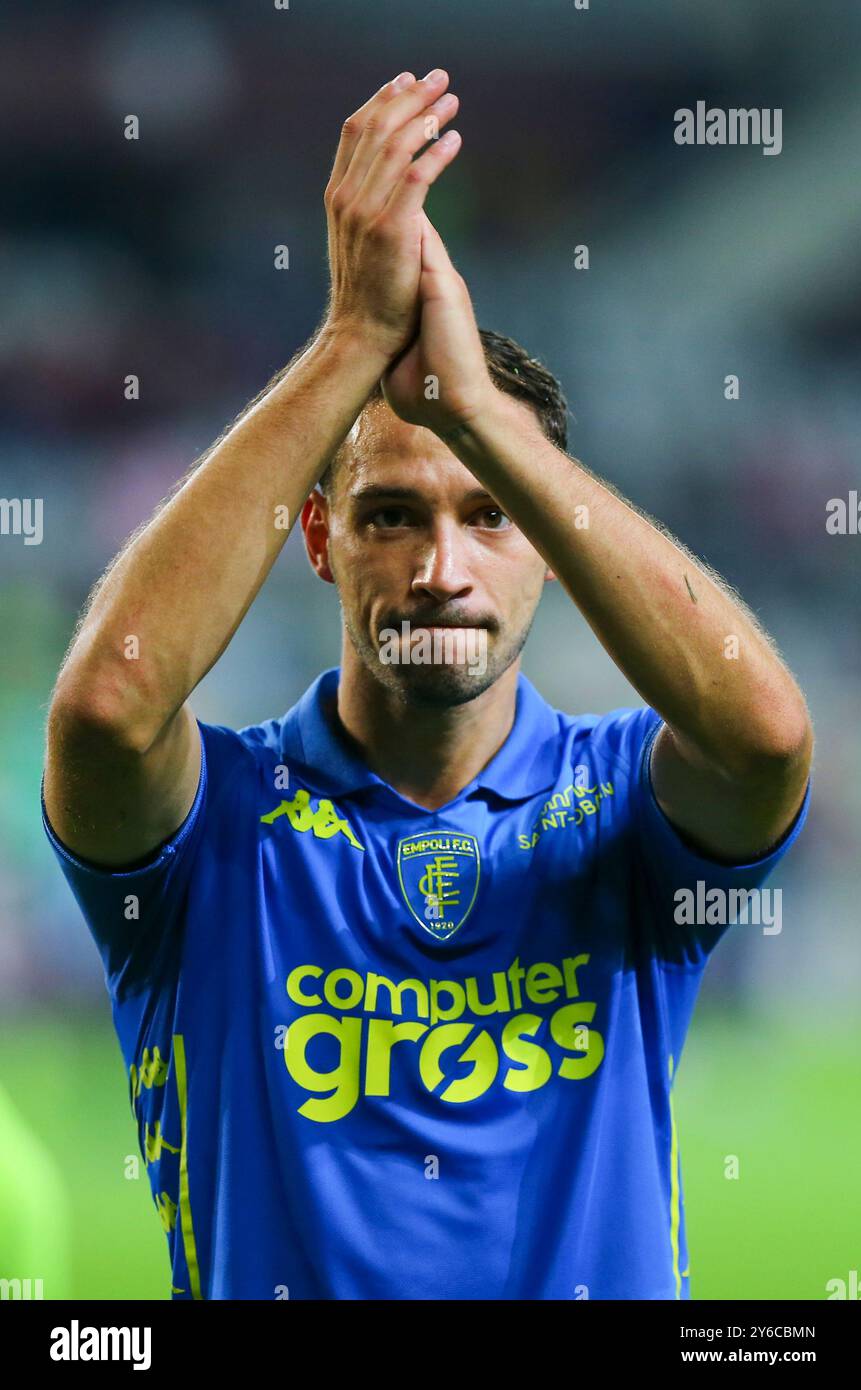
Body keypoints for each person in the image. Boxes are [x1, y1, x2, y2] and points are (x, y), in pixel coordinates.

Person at [42, 69, 812, 1300]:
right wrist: (351, 341)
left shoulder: (620, 807)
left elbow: (767, 740)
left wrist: (483, 419)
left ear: (551, 548)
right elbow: (104, 707)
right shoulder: (215, 823)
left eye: (491, 517)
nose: (440, 570)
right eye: (389, 514)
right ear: (317, 539)